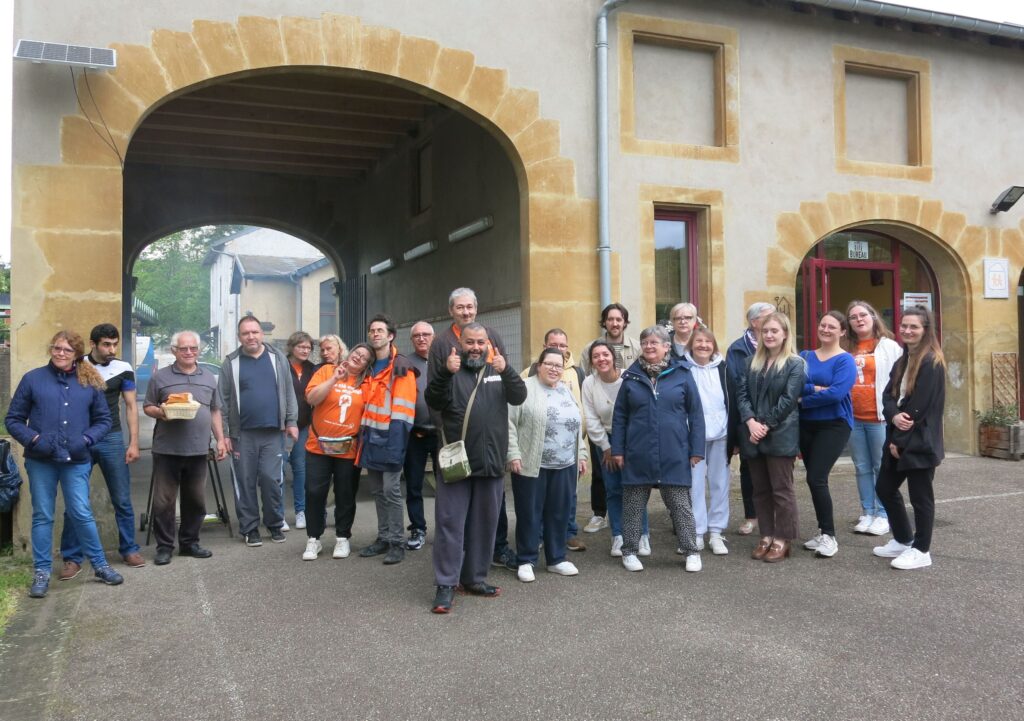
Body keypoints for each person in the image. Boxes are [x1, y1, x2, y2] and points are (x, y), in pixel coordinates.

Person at [6, 331, 122, 598]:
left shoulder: (89, 381)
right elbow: (13, 419)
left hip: (77, 460)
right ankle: (42, 572)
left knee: (81, 513)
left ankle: (101, 566)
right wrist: (34, 439)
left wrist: (86, 439)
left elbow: (104, 420)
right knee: (43, 515)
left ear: (77, 354)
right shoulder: (33, 379)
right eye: (56, 348)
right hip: (41, 460)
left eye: (67, 350)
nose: (60, 353)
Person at [426, 322, 526, 613]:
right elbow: (433, 399)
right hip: (457, 461)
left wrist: (506, 369)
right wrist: (445, 372)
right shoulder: (450, 370)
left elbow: (519, 396)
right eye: (470, 342)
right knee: (450, 524)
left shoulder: (498, 369)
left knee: (485, 524)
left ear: (488, 344)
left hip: (491, 459)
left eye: (480, 342)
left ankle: (475, 578)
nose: (475, 348)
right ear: (460, 343)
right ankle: (446, 584)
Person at [426, 287, 515, 570]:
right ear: (451, 311)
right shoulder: (441, 344)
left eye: (470, 307)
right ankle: (453, 570)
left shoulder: (493, 336)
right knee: (453, 514)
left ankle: (494, 552)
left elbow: (507, 389)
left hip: (488, 447)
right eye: (460, 307)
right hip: (455, 443)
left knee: (490, 509)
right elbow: (435, 395)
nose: (466, 312)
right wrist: (446, 436)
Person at [610, 326, 705, 573]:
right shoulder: (631, 378)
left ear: (666, 347)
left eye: (654, 342)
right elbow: (620, 416)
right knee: (632, 504)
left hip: (674, 450)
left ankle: (690, 550)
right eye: (645, 342)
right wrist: (617, 449)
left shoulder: (682, 374)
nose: (649, 346)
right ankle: (629, 550)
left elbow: (695, 414)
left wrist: (696, 449)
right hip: (638, 452)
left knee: (680, 505)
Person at [59, 323, 144, 578]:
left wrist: (134, 443)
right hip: (79, 440)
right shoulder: (76, 365)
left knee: (121, 498)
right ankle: (72, 558)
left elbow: (130, 406)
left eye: (114, 344)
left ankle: (129, 548)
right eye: (106, 344)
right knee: (75, 501)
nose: (112, 349)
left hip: (111, 438)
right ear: (93, 344)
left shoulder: (124, 368)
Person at [143, 330, 228, 565]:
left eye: (193, 348)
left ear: (198, 350)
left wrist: (220, 439)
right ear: (174, 351)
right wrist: (162, 412)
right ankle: (165, 547)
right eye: (183, 349)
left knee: (196, 500)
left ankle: (190, 543)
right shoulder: (160, 377)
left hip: (198, 450)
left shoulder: (209, 377)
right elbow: (148, 406)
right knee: (164, 502)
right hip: (167, 449)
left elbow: (214, 410)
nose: (189, 352)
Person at [872, 307, 945, 570]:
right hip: (898, 436)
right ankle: (903, 539)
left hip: (920, 442)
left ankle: (922, 550)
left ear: (926, 330)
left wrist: (898, 441)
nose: (907, 330)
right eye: (904, 326)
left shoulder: (931, 362)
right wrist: (892, 417)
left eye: (914, 326)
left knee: (921, 498)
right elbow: (888, 396)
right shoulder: (902, 360)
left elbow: (919, 408)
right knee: (884, 488)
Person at [508, 347, 589, 582]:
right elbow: (510, 423)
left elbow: (575, 425)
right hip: (532, 463)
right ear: (539, 365)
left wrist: (581, 454)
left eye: (559, 365)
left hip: (565, 463)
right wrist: (512, 453)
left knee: (559, 512)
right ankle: (526, 559)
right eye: (550, 364)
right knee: (529, 513)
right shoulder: (524, 388)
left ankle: (556, 558)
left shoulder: (566, 390)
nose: (554, 369)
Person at [219, 315, 299, 547]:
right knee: (244, 483)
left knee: (271, 480)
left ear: (261, 334)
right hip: (242, 435)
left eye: (254, 332)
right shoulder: (231, 363)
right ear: (239, 337)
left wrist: (292, 421)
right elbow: (222, 401)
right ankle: (250, 528)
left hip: (273, 433)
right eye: (246, 333)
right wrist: (224, 434)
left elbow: (289, 393)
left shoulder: (278, 358)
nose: (251, 337)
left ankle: (274, 523)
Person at [736, 312, 804, 564]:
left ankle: (783, 539)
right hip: (753, 434)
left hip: (781, 434)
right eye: (765, 331)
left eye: (774, 331)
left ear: (785, 333)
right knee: (760, 490)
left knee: (782, 490)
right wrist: (751, 422)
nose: (769, 335)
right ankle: (766, 534)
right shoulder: (749, 362)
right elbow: (741, 395)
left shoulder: (795, 363)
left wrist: (764, 425)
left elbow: (788, 400)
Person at [301, 343, 372, 561]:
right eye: (356, 353)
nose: (358, 357)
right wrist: (334, 379)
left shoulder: (366, 382)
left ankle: (343, 537)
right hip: (318, 445)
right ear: (349, 353)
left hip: (347, 448)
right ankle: (314, 539)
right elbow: (311, 399)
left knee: (345, 493)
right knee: (314, 492)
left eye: (364, 358)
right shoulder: (326, 371)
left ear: (367, 366)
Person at [357, 314, 417, 565]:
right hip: (371, 437)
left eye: (380, 330)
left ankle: (396, 542)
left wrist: (395, 446)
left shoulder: (400, 367)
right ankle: (383, 538)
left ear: (391, 335)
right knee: (377, 491)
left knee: (391, 491)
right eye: (372, 330)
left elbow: (403, 413)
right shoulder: (368, 367)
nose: (375, 334)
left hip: (390, 437)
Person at [523, 328, 589, 550]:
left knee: (565, 500)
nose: (558, 349)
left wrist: (581, 451)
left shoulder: (576, 374)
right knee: (538, 502)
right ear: (544, 349)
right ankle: (536, 541)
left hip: (569, 451)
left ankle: (565, 536)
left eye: (562, 345)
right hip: (538, 454)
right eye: (554, 345)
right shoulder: (527, 376)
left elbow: (580, 412)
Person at [582, 340, 649, 557]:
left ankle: (642, 535)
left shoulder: (628, 379)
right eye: (596, 356)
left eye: (605, 354)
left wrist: (624, 446)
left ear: (613, 357)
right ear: (591, 361)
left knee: (636, 487)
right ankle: (618, 535)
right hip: (605, 439)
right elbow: (591, 419)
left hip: (632, 438)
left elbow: (638, 414)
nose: (601, 359)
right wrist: (607, 448)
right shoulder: (589, 384)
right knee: (613, 489)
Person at [798, 311, 856, 558]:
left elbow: (836, 394)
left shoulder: (845, 361)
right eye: (823, 324)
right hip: (806, 425)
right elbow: (794, 385)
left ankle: (830, 536)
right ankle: (823, 531)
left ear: (842, 331)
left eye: (833, 326)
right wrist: (812, 389)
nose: (826, 329)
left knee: (816, 478)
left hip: (834, 425)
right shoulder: (805, 356)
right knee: (813, 478)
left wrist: (803, 400)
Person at [846, 300, 901, 536]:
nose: (859, 319)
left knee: (881, 466)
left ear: (873, 316)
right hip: (853, 418)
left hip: (878, 417)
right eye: (853, 317)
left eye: (863, 315)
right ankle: (867, 511)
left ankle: (882, 514)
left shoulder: (889, 346)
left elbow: (900, 382)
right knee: (861, 467)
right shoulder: (846, 346)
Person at [725, 302, 776, 536]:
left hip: (775, 419)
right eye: (768, 317)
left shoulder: (780, 344)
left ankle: (775, 515)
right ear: (755, 322)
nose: (773, 321)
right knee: (749, 469)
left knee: (776, 467)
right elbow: (737, 387)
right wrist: (750, 419)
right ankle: (751, 516)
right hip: (747, 419)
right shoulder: (737, 348)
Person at [684, 326, 732, 556]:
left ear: (714, 345)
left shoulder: (724, 368)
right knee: (694, 484)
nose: (703, 345)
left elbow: (732, 400)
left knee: (720, 483)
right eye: (699, 341)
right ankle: (696, 531)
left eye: (708, 342)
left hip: (721, 433)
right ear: (691, 344)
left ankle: (715, 532)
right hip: (692, 435)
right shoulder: (682, 369)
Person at [403, 322, 439, 551]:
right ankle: (418, 528)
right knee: (414, 485)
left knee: (447, 485)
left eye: (426, 334)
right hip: (414, 434)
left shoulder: (446, 360)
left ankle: (447, 528)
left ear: (434, 337)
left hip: (442, 435)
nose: (421, 338)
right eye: (416, 335)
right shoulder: (405, 364)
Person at [283, 331, 317, 530]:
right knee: (278, 470)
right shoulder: (281, 366)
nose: (305, 350)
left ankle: (301, 511)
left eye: (308, 348)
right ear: (291, 347)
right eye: (301, 347)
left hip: (303, 425)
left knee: (300, 470)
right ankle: (278, 514)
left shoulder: (312, 369)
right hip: (281, 427)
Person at [580, 302, 642, 374]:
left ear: (625, 323)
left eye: (618, 320)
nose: (614, 324)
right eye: (610, 319)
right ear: (604, 322)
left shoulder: (637, 348)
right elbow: (582, 377)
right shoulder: (590, 349)